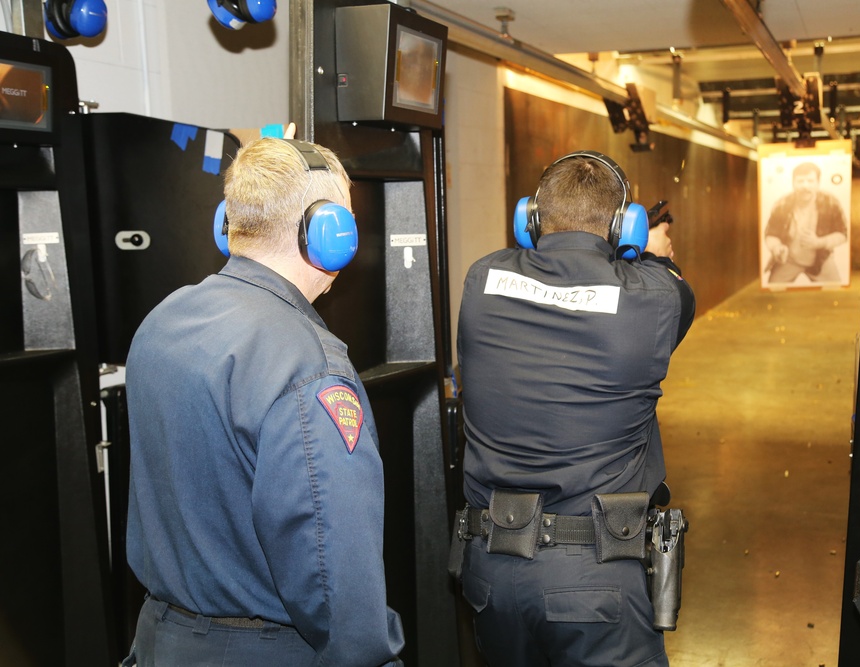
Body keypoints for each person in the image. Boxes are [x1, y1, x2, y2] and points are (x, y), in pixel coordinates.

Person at [123, 136, 404, 667]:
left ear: (227, 221)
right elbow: (334, 575)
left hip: (162, 639)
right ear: (329, 235)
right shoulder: (309, 366)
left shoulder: (163, 320)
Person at [454, 151, 695, 667]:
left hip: (492, 574)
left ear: (530, 218)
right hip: (593, 580)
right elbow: (674, 287)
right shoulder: (653, 297)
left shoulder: (481, 280)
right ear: (625, 226)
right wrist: (643, 250)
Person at [763, 160, 848, 284]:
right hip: (789, 260)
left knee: (834, 291)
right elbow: (771, 234)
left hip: (821, 259)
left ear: (818, 183)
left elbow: (842, 234)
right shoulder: (782, 204)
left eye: (810, 181)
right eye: (800, 181)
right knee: (774, 291)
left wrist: (819, 242)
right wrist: (777, 247)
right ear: (793, 183)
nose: (805, 186)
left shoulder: (831, 203)